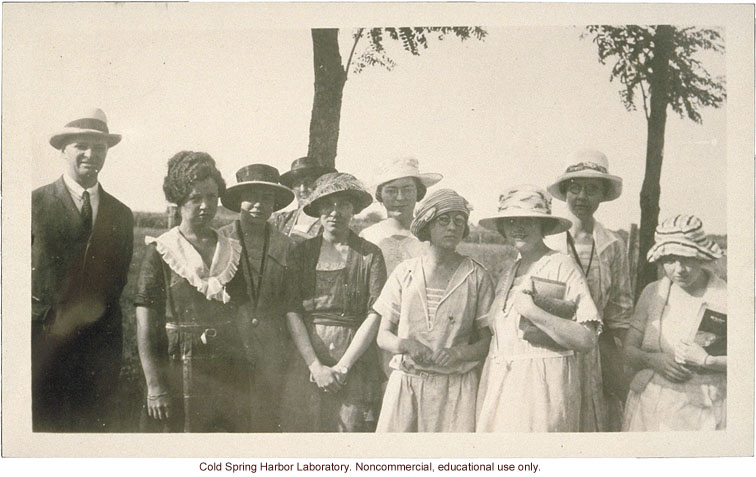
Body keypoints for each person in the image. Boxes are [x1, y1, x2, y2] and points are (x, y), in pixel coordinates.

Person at [32, 108, 134, 432]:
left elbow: (117, 281)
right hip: (44, 344)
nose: (92, 154)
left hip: (99, 350)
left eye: (99, 147)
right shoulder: (33, 205)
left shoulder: (121, 214)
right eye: (81, 146)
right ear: (63, 149)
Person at [135, 151, 249, 432]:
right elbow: (146, 326)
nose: (205, 206)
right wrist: (155, 385)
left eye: (211, 197)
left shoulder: (231, 250)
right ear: (178, 200)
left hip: (225, 365)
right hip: (176, 363)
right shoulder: (162, 250)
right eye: (195, 198)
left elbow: (241, 312)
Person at [476, 185, 601, 432]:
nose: (519, 228)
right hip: (502, 383)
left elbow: (587, 338)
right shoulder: (510, 271)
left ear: (543, 226)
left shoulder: (561, 266)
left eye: (529, 221)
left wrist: (534, 311)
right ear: (503, 228)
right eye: (511, 221)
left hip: (542, 386)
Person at [373, 189, 495, 432]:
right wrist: (407, 345)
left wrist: (459, 353)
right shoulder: (405, 272)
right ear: (427, 225)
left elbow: (488, 342)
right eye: (443, 220)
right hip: (407, 384)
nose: (452, 227)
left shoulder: (476, 276)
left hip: (455, 389)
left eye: (459, 221)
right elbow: (382, 336)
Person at [280, 172, 387, 432]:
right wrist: (315, 366)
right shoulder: (301, 253)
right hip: (307, 360)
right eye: (327, 205)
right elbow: (291, 310)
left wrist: (342, 367)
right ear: (318, 210)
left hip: (353, 363)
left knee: (348, 434)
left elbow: (375, 313)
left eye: (343, 205)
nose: (335, 212)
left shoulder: (369, 255)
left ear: (354, 210)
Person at [546, 149, 634, 432]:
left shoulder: (612, 245)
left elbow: (620, 311)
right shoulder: (548, 240)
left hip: (596, 351)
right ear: (565, 191)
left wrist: (620, 359)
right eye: (576, 187)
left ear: (602, 195)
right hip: (553, 344)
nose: (582, 196)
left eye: (591, 189)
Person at [623, 215, 726, 431]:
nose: (679, 269)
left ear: (700, 256)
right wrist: (652, 360)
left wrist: (707, 361)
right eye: (670, 259)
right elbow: (628, 349)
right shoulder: (653, 293)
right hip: (652, 406)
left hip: (705, 408)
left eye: (686, 259)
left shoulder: (726, 297)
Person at [218, 164, 296, 432]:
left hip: (272, 349)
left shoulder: (286, 245)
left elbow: (290, 299)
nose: (259, 205)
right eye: (252, 196)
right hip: (230, 344)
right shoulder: (221, 239)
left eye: (267, 198)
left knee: (265, 420)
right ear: (239, 200)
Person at [360, 157, 442, 275]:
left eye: (407, 190)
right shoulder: (368, 236)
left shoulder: (432, 237)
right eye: (391, 191)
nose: (400, 198)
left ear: (418, 192)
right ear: (380, 195)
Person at [271, 156, 336, 243]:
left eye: (308, 183)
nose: (302, 189)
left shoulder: (331, 220)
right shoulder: (282, 219)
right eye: (297, 184)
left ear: (320, 186)